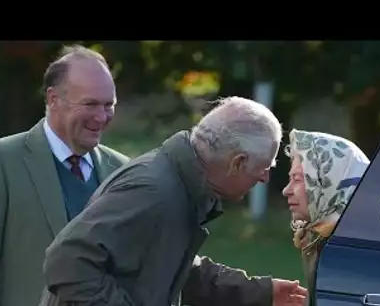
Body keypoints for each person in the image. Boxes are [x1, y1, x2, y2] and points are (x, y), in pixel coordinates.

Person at [39, 96, 308, 306]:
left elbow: (175, 267)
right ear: (237, 162)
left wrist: (258, 292)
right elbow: (68, 260)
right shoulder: (154, 191)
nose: (264, 178)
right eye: (265, 167)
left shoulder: (180, 186)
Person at [0, 44, 130, 306]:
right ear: (53, 99)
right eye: (90, 104)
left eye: (108, 105)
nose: (102, 117)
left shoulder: (122, 169)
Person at [282, 129, 380, 306]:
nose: (286, 190)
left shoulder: (370, 228)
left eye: (297, 179)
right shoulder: (323, 229)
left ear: (328, 179)